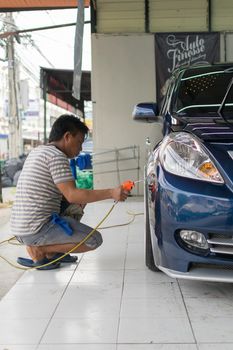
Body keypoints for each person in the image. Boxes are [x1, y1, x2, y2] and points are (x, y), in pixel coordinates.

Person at [10, 114, 128, 270]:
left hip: (21, 228)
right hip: (36, 229)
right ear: (67, 137)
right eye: (79, 142)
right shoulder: (56, 156)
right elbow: (72, 195)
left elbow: (72, 198)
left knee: (79, 203)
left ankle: (53, 253)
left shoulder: (38, 151)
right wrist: (112, 192)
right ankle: (40, 249)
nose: (80, 149)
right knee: (93, 240)